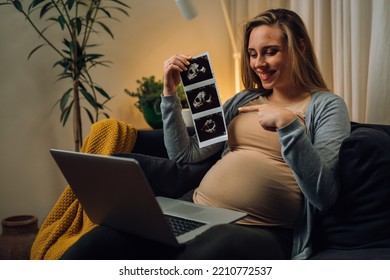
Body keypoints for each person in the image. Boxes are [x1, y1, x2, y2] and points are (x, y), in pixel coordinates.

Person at [60, 8, 350, 260]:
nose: (258, 63)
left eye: (270, 51)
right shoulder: (242, 100)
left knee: (207, 252)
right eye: (252, 54)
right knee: (103, 241)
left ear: (299, 47)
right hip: (196, 210)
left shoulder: (326, 106)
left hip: (263, 230)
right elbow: (184, 154)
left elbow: (324, 194)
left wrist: (289, 127)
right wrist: (170, 93)